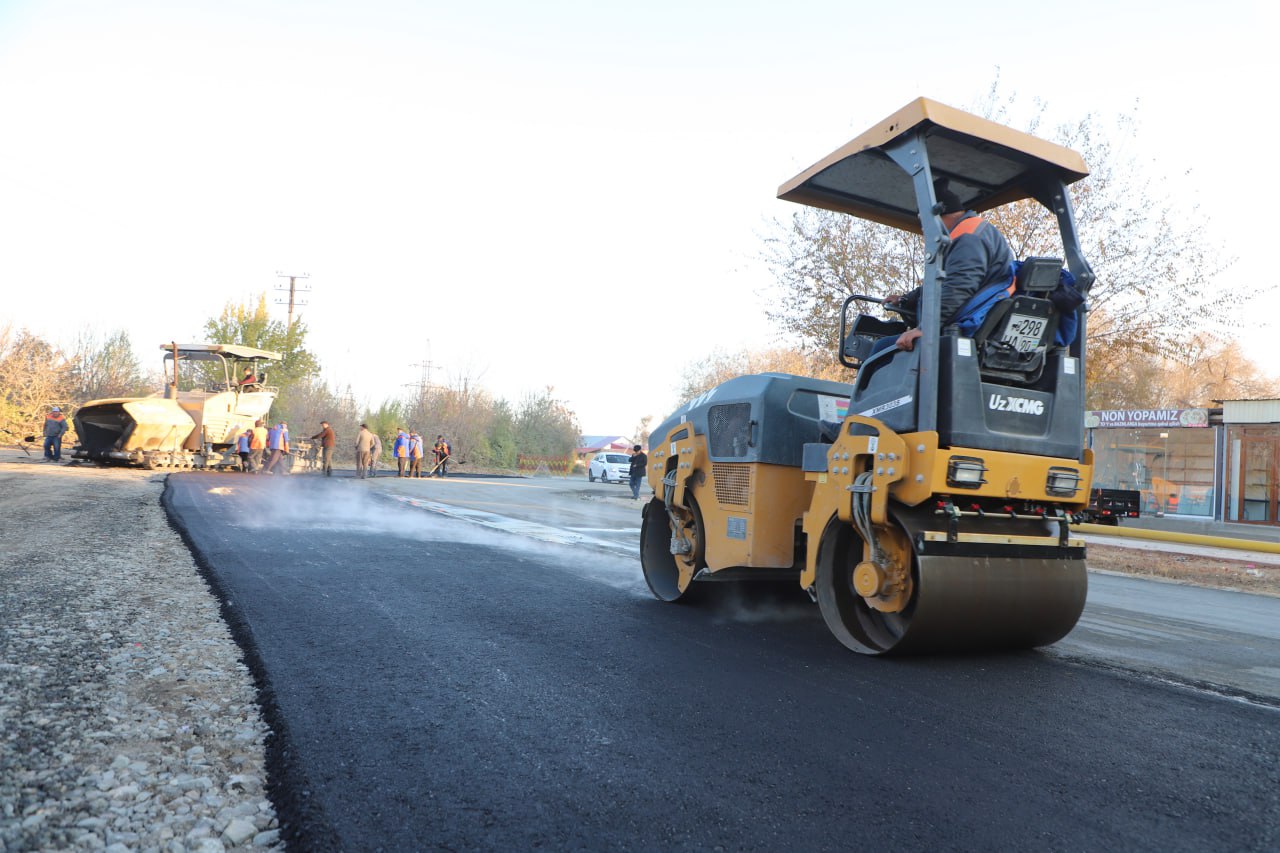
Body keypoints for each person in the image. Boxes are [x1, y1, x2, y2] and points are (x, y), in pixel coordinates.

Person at [881, 179, 1015, 353]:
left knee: (879, 349)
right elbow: (945, 282)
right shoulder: (974, 233)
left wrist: (925, 328)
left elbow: (959, 287)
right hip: (973, 324)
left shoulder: (968, 238)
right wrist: (906, 299)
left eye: (923, 221)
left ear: (937, 214)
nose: (923, 229)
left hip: (966, 331)